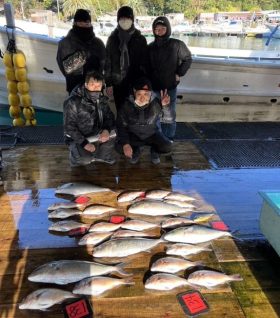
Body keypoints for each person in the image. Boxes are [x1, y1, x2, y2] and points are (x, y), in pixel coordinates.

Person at [148, 16, 192, 140]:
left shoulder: (177, 44)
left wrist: (179, 73)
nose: (159, 31)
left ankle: (169, 140)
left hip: (169, 88)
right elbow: (145, 66)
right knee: (154, 116)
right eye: (157, 29)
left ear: (168, 29)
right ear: (153, 30)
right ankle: (157, 141)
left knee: (169, 117)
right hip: (154, 88)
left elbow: (187, 58)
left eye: (162, 28)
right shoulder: (150, 47)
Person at [63, 71, 116, 167]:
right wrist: (84, 143)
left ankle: (102, 156)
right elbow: (69, 127)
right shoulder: (72, 102)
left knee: (115, 132)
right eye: (92, 84)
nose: (95, 88)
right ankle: (75, 158)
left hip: (96, 134)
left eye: (98, 85)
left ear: (102, 87)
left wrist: (106, 130)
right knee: (85, 159)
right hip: (78, 138)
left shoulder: (102, 99)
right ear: (86, 85)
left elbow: (110, 117)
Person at [116, 77, 172, 165]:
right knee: (119, 147)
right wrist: (126, 144)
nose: (143, 98)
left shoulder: (157, 103)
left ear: (151, 93)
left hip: (151, 134)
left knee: (167, 146)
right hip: (134, 135)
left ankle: (154, 151)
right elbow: (121, 126)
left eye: (146, 94)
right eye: (139, 94)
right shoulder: (126, 105)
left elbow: (169, 119)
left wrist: (166, 107)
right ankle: (136, 150)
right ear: (134, 92)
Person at [105, 6, 148, 110]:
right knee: (120, 108)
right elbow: (107, 63)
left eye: (127, 18)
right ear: (118, 20)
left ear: (132, 20)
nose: (124, 21)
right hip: (117, 82)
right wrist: (108, 83)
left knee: (135, 109)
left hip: (135, 82)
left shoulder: (140, 39)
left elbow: (145, 62)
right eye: (122, 19)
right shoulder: (112, 39)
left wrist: (144, 83)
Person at [57, 9, 106, 94]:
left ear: (90, 24)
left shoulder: (98, 43)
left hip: (95, 89)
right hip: (75, 89)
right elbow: (65, 68)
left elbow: (103, 66)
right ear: (75, 24)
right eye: (80, 23)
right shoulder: (65, 43)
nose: (84, 26)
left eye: (87, 23)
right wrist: (84, 55)